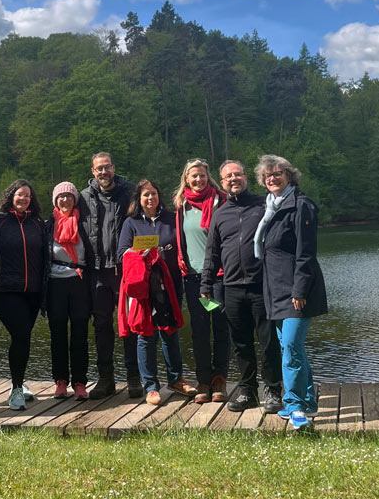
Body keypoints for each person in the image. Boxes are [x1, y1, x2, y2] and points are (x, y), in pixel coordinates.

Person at [201, 160, 283, 414]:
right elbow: (212, 254)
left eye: (238, 174)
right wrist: (206, 283)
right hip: (232, 287)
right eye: (228, 177)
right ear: (222, 183)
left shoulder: (263, 205)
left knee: (269, 342)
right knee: (241, 343)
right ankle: (248, 391)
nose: (234, 179)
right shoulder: (220, 214)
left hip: (262, 286)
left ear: (246, 178)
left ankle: (272, 391)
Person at [254, 155, 328, 430]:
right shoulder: (270, 208)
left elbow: (305, 254)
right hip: (275, 289)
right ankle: (308, 401)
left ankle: (295, 406)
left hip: (298, 290)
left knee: (292, 349)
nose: (272, 179)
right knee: (290, 347)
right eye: (267, 176)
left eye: (278, 174)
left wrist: (299, 290)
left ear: (289, 176)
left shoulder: (301, 206)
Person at [117, 179, 197, 406]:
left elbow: (184, 245)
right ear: (138, 199)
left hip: (170, 286)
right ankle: (151, 385)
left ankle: (176, 379)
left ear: (158, 196)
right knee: (145, 336)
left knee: (170, 332)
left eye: (153, 194)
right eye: (145, 195)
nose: (150, 198)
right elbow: (121, 254)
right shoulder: (130, 223)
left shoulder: (172, 219)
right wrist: (139, 252)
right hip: (143, 288)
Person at [79, 152, 140, 399]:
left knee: (131, 326)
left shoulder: (130, 194)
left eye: (107, 168)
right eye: (98, 169)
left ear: (113, 168)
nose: (103, 172)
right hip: (97, 272)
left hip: (125, 271)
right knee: (102, 326)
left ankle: (134, 377)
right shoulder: (84, 197)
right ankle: (106, 379)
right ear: (93, 172)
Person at [174, 158, 231, 403]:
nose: (198, 180)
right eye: (193, 176)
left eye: (202, 176)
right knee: (199, 331)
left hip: (219, 278)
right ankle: (203, 381)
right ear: (186, 179)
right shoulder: (181, 206)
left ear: (209, 178)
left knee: (220, 328)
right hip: (194, 279)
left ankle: (219, 379)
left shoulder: (221, 201)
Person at [0, 179, 49, 410]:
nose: (23, 199)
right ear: (10, 197)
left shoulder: (37, 224)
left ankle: (19, 382)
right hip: (4, 290)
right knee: (21, 335)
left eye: (27, 195)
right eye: (19, 195)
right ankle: (15, 390)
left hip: (33, 292)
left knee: (22, 338)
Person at [46, 181, 92, 400]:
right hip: (55, 283)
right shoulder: (48, 224)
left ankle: (80, 382)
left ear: (75, 200)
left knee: (80, 333)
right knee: (57, 334)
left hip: (79, 282)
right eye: (61, 197)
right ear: (55, 201)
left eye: (69, 197)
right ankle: (61, 381)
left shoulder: (83, 223)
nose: (65, 200)